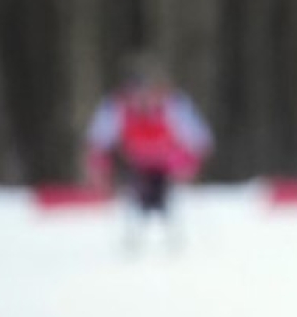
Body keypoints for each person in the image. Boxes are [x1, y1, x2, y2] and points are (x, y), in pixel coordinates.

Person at [84, 54, 214, 219]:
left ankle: (175, 206)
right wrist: (101, 173)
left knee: (173, 183)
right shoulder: (116, 107)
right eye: (137, 93)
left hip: (168, 164)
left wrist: (188, 168)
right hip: (135, 165)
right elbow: (97, 144)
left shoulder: (174, 105)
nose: (143, 100)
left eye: (149, 92)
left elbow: (200, 142)